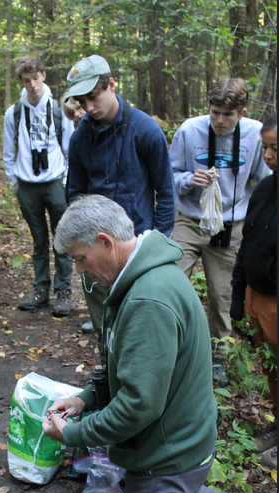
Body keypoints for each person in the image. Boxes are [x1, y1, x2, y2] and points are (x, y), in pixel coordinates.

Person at [43, 194, 276, 493]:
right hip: (173, 447)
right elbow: (120, 365)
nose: (79, 270)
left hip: (168, 457)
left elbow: (138, 405)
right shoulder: (133, 279)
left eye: (80, 258)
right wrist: (85, 399)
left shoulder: (147, 298)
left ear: (105, 242)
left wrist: (74, 434)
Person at [64, 55, 176, 335]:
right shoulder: (80, 138)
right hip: (96, 252)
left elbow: (166, 193)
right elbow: (75, 194)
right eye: (81, 102)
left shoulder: (145, 130)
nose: (88, 108)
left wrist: (157, 245)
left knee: (141, 328)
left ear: (111, 84)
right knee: (107, 331)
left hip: (138, 249)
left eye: (93, 97)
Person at [170, 78, 271, 385]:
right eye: (214, 112)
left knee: (221, 294)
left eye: (227, 114)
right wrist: (189, 179)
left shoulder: (255, 135)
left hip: (230, 226)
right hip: (190, 219)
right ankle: (171, 346)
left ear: (242, 112)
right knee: (170, 279)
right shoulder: (190, 130)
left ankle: (219, 356)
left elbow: (264, 181)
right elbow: (170, 174)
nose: (219, 121)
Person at [3, 56, 74, 317]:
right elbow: (8, 152)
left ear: (43, 75)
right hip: (28, 185)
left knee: (63, 238)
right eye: (26, 80)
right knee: (38, 240)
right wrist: (15, 181)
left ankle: (64, 291)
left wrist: (65, 181)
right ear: (21, 81)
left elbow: (69, 147)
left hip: (55, 182)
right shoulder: (14, 112)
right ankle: (40, 288)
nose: (32, 84)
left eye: (35, 78)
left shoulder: (58, 109)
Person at [231, 112, 277, 469]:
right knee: (271, 368)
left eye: (276, 148)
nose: (269, 155)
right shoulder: (264, 188)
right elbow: (246, 246)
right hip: (256, 298)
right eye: (265, 147)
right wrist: (237, 297)